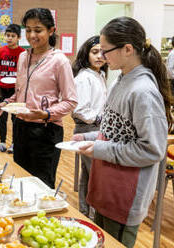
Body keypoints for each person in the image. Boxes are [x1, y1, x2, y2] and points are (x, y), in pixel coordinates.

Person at [73, 17, 173, 248]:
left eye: (106, 50)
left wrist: (99, 148)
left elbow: (152, 150)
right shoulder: (121, 80)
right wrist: (88, 137)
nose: (103, 56)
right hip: (107, 187)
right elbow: (116, 130)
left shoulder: (143, 91)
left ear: (128, 49)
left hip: (125, 195)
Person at [0, 8, 78, 189]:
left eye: (38, 30)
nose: (32, 35)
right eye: (28, 30)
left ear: (51, 30)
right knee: (21, 180)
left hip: (46, 130)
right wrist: (5, 103)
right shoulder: (23, 56)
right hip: (20, 126)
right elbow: (20, 93)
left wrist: (46, 114)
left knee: (42, 185)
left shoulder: (59, 61)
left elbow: (71, 101)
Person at [71, 35, 108, 218]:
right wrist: (100, 117)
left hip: (96, 129)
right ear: (86, 54)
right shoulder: (84, 77)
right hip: (87, 129)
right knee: (95, 175)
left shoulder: (99, 75)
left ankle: (87, 213)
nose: (99, 56)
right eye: (94, 52)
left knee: (89, 173)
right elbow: (79, 110)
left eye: (103, 52)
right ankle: (91, 215)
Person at [0, 24, 25, 153]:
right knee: (2, 117)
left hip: (15, 90)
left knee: (15, 118)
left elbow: (23, 72)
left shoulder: (23, 53)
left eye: (13, 36)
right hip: (3, 88)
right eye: (7, 35)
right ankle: (2, 142)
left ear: (18, 37)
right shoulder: (0, 51)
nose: (9, 38)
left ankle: (14, 143)